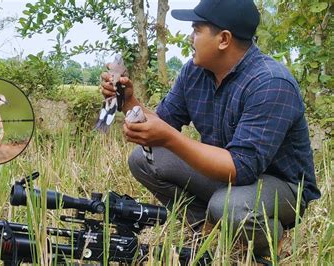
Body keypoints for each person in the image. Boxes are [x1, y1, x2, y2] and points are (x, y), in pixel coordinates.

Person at [100, 0, 320, 261]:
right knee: (142, 160)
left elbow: (241, 168)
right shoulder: (194, 72)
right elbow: (163, 121)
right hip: (227, 173)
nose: (190, 37)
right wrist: (129, 102)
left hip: (281, 187)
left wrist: (170, 138)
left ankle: (269, 242)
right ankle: (208, 228)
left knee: (228, 204)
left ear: (224, 39)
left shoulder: (271, 83)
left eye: (196, 30)